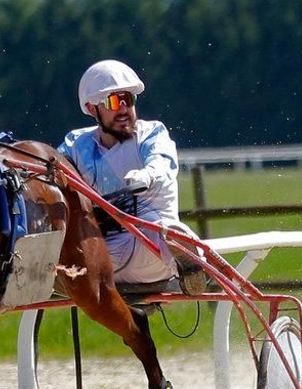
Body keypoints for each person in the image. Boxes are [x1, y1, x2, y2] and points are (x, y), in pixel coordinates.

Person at [59, 59, 203, 293]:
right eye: (114, 101)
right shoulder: (75, 144)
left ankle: (187, 260)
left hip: (152, 246)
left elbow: (162, 162)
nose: (124, 109)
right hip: (104, 253)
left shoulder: (151, 133)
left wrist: (147, 174)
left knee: (168, 233)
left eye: (128, 100)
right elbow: (50, 168)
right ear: (91, 108)